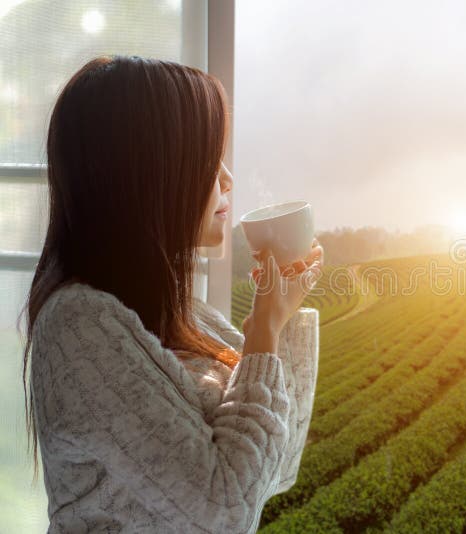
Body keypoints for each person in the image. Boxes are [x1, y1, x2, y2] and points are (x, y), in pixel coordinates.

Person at [17, 55, 324, 533]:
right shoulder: (77, 325)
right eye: (207, 157)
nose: (227, 180)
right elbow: (225, 510)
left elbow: (275, 472)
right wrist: (263, 330)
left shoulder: (188, 318)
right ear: (148, 170)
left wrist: (284, 316)